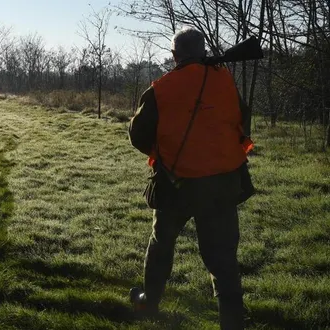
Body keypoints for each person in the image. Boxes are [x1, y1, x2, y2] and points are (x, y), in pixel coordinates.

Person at [128, 27, 254, 330]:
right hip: (223, 183)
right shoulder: (224, 80)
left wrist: (166, 155)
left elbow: (137, 134)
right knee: (223, 257)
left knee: (161, 246)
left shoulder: (162, 87)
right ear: (204, 51)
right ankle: (233, 322)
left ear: (174, 55)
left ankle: (149, 302)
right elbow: (242, 119)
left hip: (176, 184)